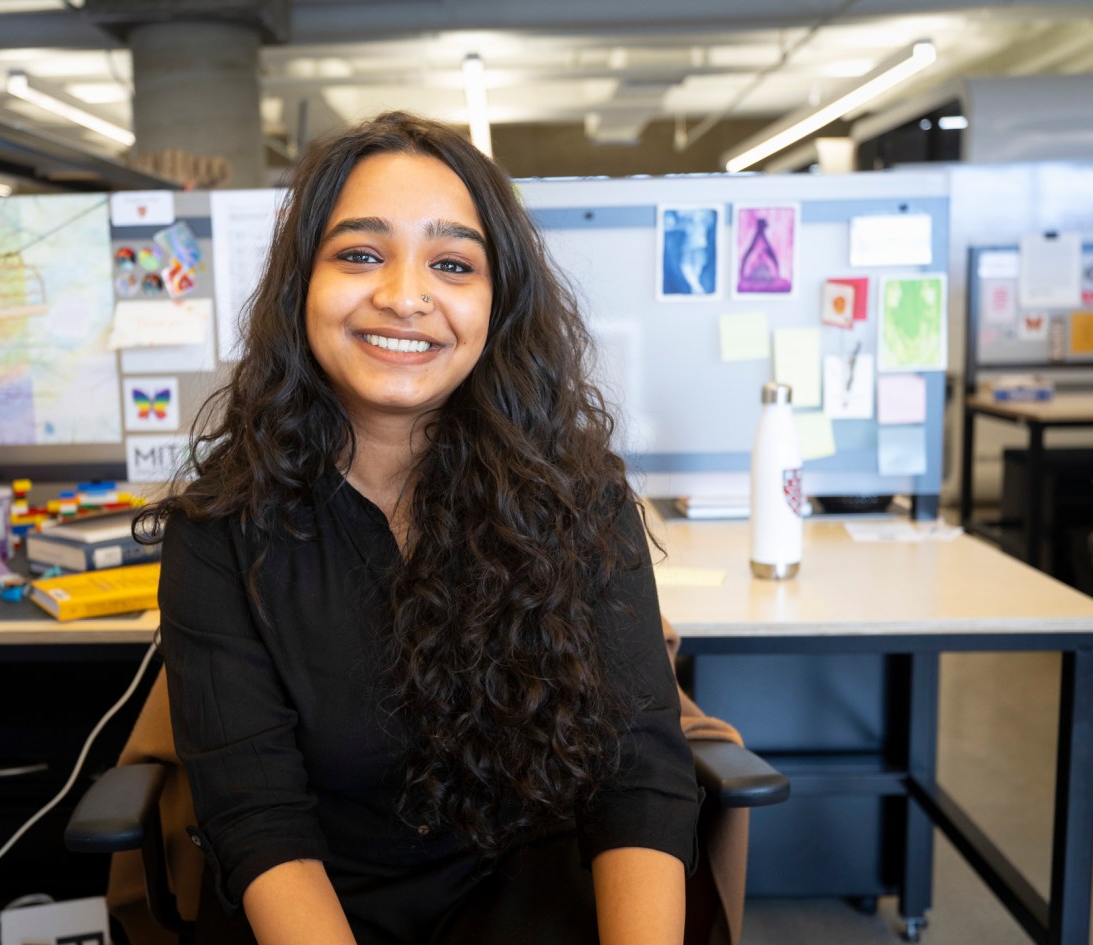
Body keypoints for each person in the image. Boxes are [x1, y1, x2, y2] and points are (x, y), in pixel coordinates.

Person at [142, 111, 699, 945]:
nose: (405, 295)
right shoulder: (220, 529)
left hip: (531, 905)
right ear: (302, 287)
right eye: (361, 253)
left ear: (496, 301)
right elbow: (260, 824)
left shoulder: (579, 499)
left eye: (451, 263)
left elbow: (640, 773)